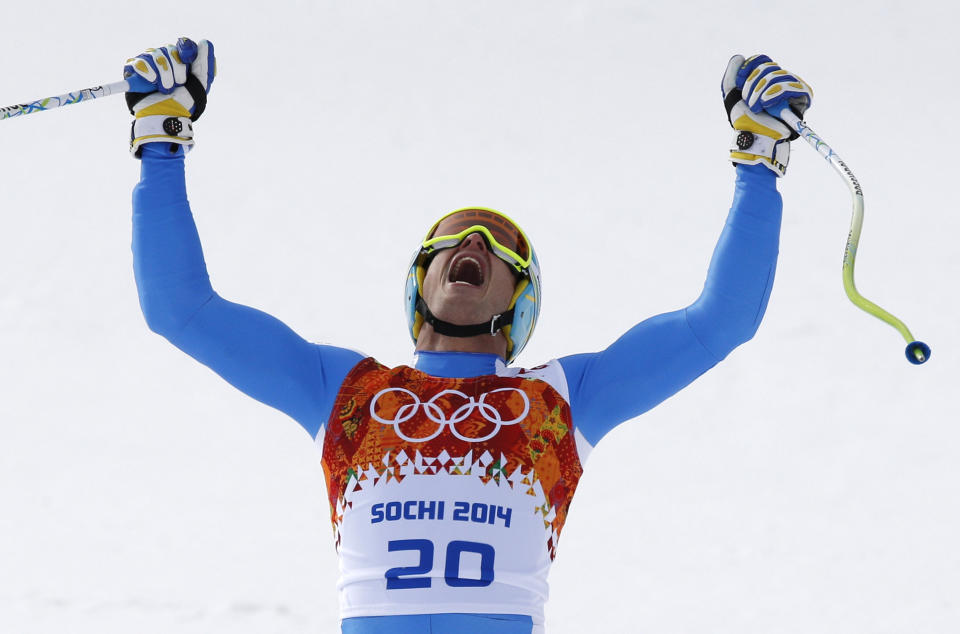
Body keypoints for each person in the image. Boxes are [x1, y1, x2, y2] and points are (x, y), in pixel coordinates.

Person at [125, 38, 813, 634]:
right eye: (452, 238)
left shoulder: (563, 400)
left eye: (497, 244)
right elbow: (179, 309)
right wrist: (160, 142)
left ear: (520, 301)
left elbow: (720, 322)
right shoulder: (344, 392)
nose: (474, 241)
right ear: (418, 282)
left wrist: (759, 160)